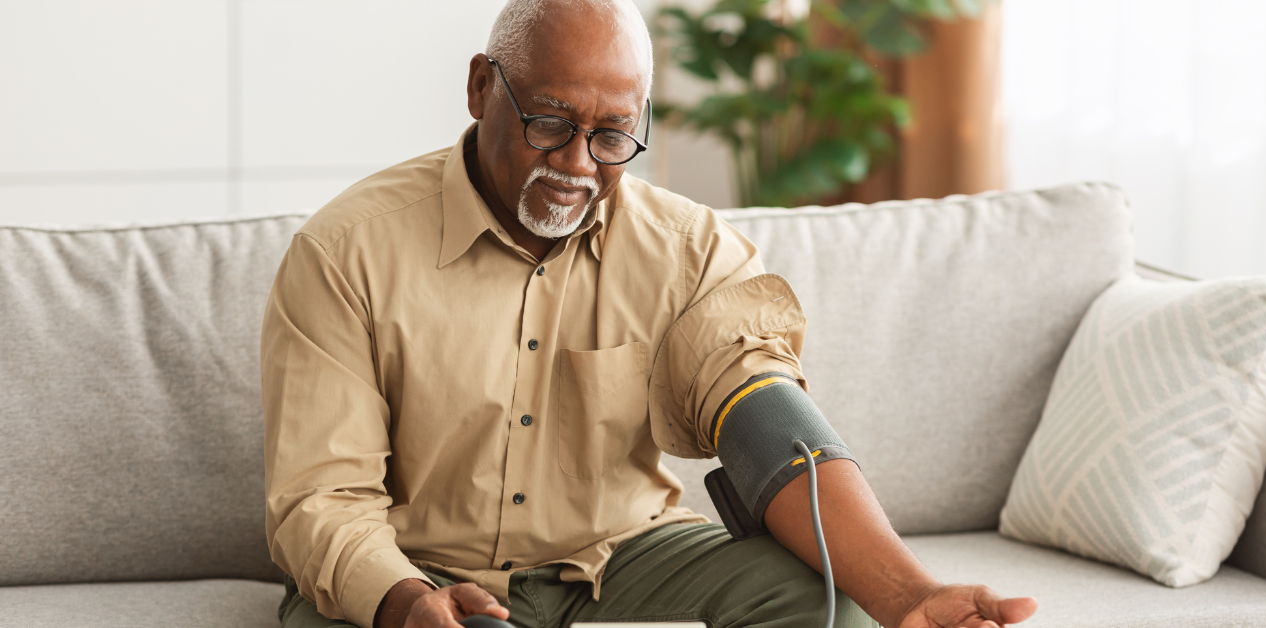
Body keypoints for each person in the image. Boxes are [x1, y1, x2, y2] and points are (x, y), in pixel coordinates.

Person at [261, 1, 1039, 627]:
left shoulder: (691, 251)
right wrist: (404, 606)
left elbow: (765, 419)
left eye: (611, 136)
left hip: (618, 558)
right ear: (479, 87)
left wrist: (905, 596)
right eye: (549, 123)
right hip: (417, 564)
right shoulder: (345, 251)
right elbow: (319, 501)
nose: (575, 164)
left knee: (828, 601)